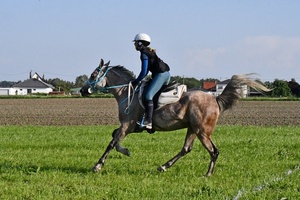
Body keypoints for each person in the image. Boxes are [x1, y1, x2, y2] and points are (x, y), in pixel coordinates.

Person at [131, 33, 171, 130]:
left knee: (148, 95)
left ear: (140, 43)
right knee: (154, 96)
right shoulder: (148, 50)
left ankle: (148, 121)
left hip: (160, 75)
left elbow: (144, 72)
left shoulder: (144, 53)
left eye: (135, 42)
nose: (134, 44)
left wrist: (136, 81)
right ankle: (154, 119)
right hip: (166, 74)